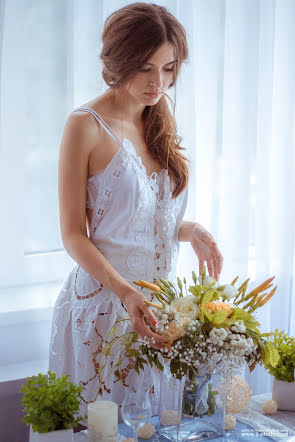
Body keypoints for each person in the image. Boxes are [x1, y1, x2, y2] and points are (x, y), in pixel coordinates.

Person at [49, 2, 223, 421]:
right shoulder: (85, 125)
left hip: (157, 310)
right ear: (119, 60)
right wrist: (125, 292)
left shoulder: (158, 121)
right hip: (104, 308)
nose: (158, 82)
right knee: (102, 428)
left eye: (168, 68)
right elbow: (74, 234)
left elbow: (140, 221)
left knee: (156, 427)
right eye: (146, 67)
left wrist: (190, 229)